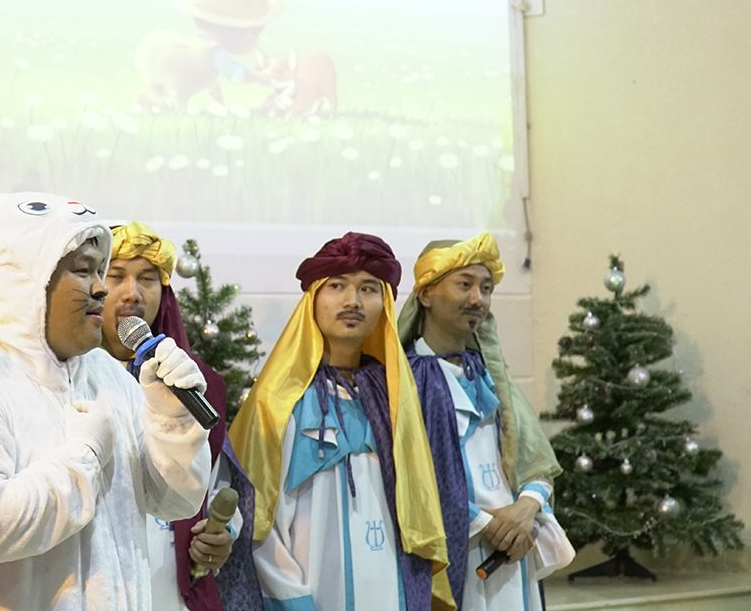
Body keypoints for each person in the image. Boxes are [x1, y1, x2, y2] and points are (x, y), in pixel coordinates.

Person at [0, 189, 212, 611]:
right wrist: (84, 457)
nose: (101, 289)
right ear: (25, 280)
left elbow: (176, 501)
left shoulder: (109, 378)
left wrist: (171, 421)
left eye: (99, 270)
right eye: (84, 271)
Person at [231, 232, 463, 611]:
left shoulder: (395, 399)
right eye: (337, 286)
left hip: (390, 588)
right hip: (307, 590)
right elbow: (255, 516)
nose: (352, 301)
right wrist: (291, 597)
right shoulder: (276, 401)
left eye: (368, 289)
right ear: (313, 299)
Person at [398, 233, 574, 611]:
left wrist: (526, 508)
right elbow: (406, 480)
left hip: (514, 548)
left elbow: (533, 458)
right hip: (457, 554)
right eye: (465, 285)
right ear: (425, 294)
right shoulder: (406, 379)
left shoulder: (490, 372)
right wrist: (484, 523)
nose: (478, 299)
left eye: (486, 288)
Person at [100, 221, 262, 611]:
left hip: (170, 585)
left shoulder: (193, 382)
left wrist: (220, 533)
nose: (133, 292)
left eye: (147, 279)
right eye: (116, 276)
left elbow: (217, 482)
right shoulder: (71, 380)